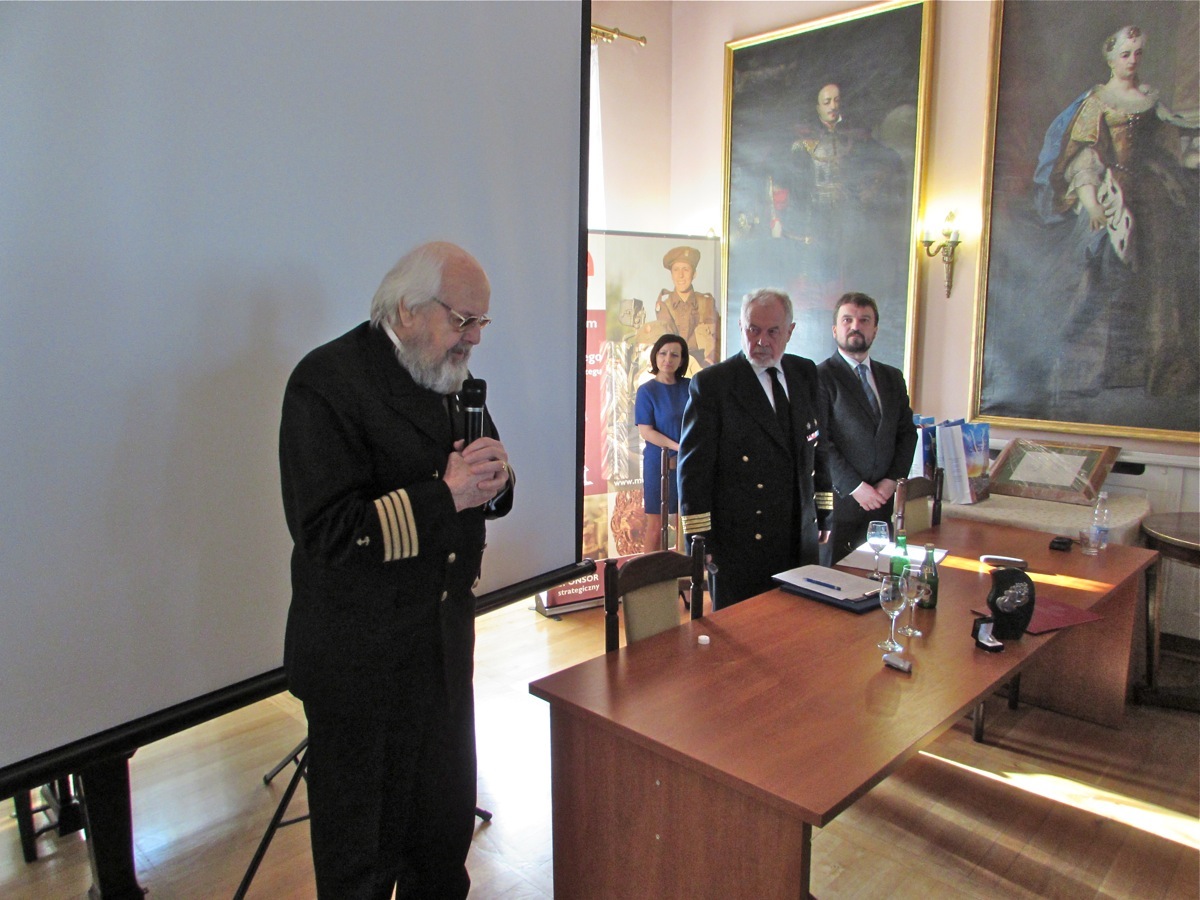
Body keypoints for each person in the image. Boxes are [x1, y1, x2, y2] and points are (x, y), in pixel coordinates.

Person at [278, 241, 513, 899]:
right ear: (408, 309)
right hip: (360, 664)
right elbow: (328, 533)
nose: (473, 338)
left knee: (440, 847)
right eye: (462, 320)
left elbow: (483, 470)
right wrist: (446, 495)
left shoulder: (448, 373)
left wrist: (493, 479)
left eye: (481, 322)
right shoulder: (326, 383)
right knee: (362, 862)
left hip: (441, 649)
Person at [1035, 25, 1198, 398]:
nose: (1132, 60)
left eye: (1138, 53)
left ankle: (1161, 367)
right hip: (1112, 195)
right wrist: (1093, 203)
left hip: (1153, 194)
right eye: (1125, 54)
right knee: (1102, 276)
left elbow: (1170, 139)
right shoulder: (1098, 102)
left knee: (1161, 272)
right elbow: (1084, 157)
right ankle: (1088, 371)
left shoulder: (1150, 100)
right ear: (1110, 59)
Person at [678, 288, 833, 609]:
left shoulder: (804, 373)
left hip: (798, 537)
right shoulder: (714, 384)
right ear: (740, 326)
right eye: (753, 329)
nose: (761, 341)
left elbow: (817, 449)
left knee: (800, 625)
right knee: (743, 632)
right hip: (741, 542)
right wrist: (700, 539)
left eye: (773, 331)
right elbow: (694, 470)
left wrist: (824, 512)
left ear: (790, 331)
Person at [816, 292, 917, 567]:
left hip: (881, 507)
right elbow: (820, 442)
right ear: (835, 329)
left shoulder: (892, 378)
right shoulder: (820, 377)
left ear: (875, 329)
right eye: (847, 319)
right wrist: (856, 488)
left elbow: (907, 434)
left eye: (864, 320)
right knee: (836, 583)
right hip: (839, 508)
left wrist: (892, 480)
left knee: (878, 578)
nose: (855, 326)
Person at [635, 333, 691, 552]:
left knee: (686, 525)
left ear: (682, 359)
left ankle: (685, 573)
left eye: (675, 355)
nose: (668, 359)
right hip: (658, 463)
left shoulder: (691, 387)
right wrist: (678, 448)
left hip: (688, 463)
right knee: (656, 527)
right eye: (663, 353)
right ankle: (649, 574)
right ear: (655, 356)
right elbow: (646, 431)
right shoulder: (647, 391)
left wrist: (687, 452)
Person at [653, 246, 720, 368]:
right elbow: (666, 344)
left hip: (703, 367)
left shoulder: (706, 303)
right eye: (676, 270)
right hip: (674, 366)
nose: (681, 275)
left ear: (694, 274)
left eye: (686, 269)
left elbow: (718, 340)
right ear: (671, 275)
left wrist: (708, 364)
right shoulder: (665, 306)